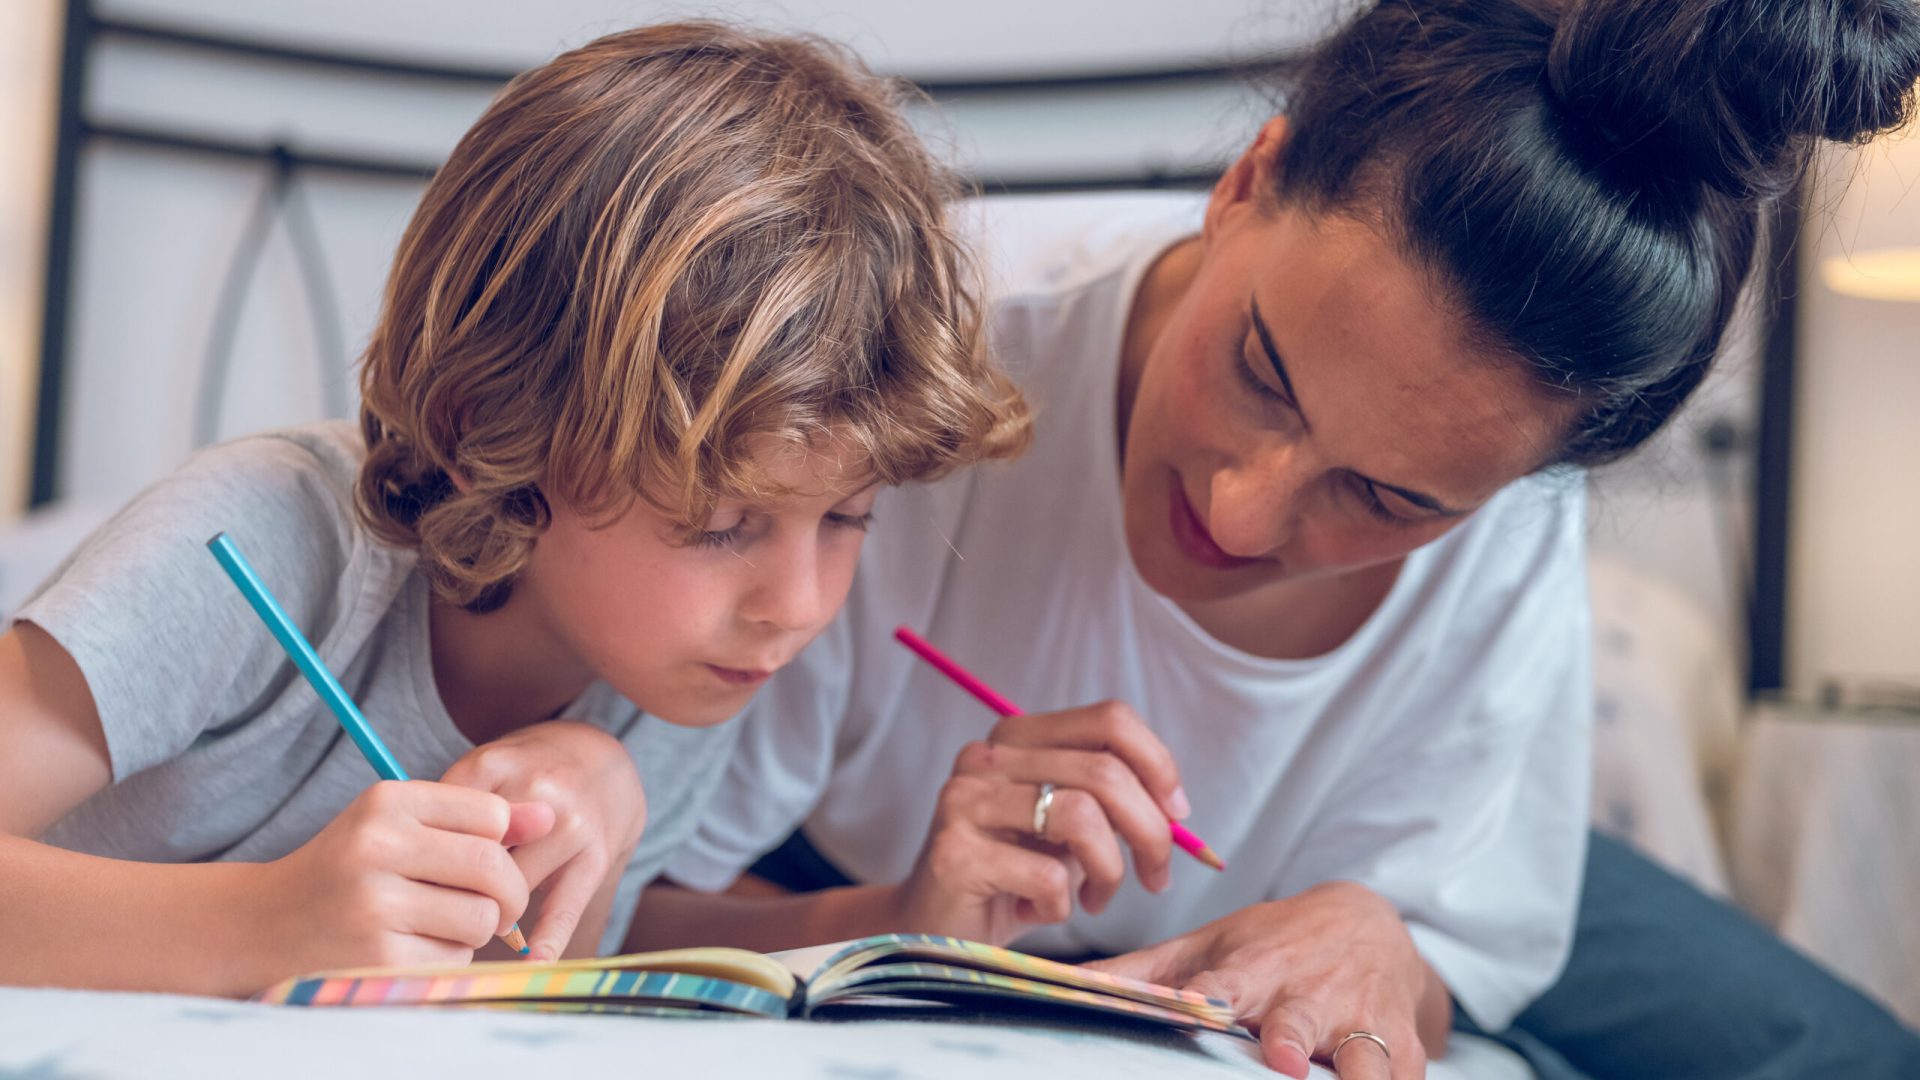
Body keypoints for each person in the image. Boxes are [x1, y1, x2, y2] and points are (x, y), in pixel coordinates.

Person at [630, 1, 1920, 1078]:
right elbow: (611, 912)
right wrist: (908, 920)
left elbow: (1452, 936)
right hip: (857, 870)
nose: (1242, 515)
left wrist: (1387, 946)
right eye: (1261, 370)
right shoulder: (910, 342)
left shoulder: (1515, 509)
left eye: (1393, 501)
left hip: (1338, 868)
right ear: (1245, 184)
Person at [0, 21, 1027, 996]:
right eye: (722, 522)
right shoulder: (262, 539)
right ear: (491, 422)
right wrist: (259, 923)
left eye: (849, 518)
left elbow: (521, 998)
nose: (796, 606)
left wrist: (623, 812)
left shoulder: (671, 680)